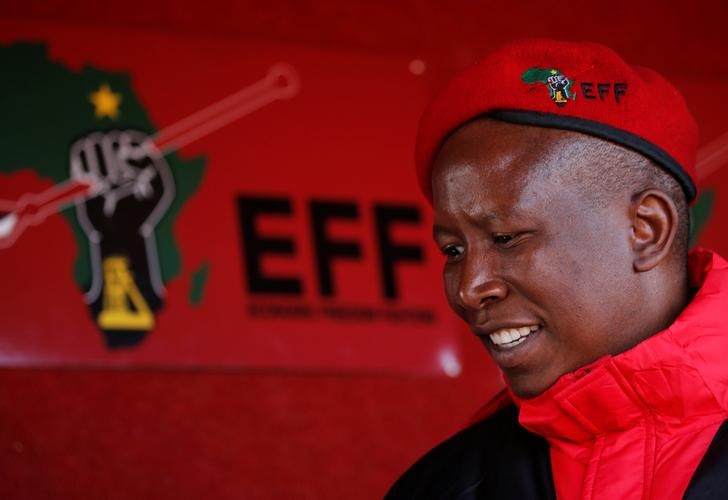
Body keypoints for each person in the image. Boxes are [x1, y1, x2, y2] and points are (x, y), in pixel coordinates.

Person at [386, 39, 728, 499]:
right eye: (453, 250)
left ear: (647, 229)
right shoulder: (441, 487)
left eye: (506, 238)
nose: (469, 289)